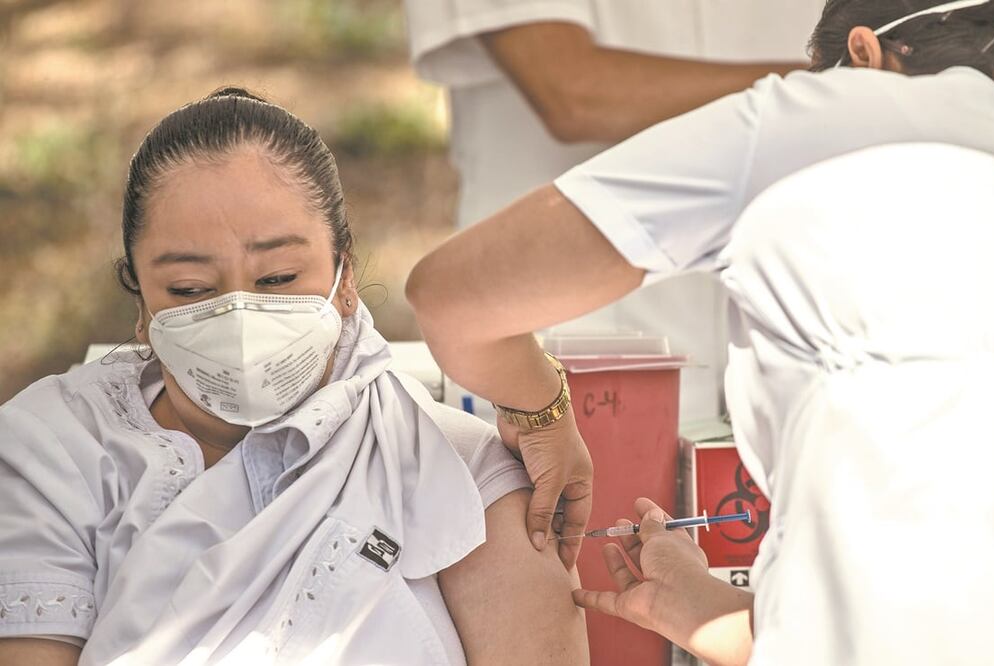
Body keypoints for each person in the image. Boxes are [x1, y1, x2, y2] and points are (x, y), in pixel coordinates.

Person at [406, 0, 994, 662]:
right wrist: (701, 608)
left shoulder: (825, 113)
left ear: (864, 54)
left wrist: (544, 411)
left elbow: (452, 298)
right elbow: (975, 578)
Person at [0, 89, 588, 665]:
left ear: (345, 275)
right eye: (190, 290)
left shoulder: (451, 472)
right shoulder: (55, 451)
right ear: (142, 303)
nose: (238, 316)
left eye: (278, 278)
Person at [403, 0, 827, 568]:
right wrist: (848, 93)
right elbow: (573, 89)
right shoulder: (851, 89)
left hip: (800, 343)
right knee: (581, 614)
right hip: (571, 358)